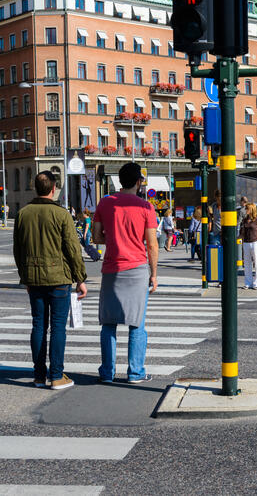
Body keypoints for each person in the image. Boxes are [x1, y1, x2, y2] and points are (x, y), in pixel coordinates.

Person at [13, 171, 87, 390]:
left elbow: (18, 250)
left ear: (35, 188)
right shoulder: (61, 214)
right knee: (57, 328)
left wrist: (25, 276)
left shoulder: (23, 213)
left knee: (38, 326)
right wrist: (80, 278)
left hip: (34, 278)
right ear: (53, 188)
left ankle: (38, 376)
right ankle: (56, 375)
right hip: (58, 278)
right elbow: (73, 249)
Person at [92, 162, 159, 384]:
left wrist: (113, 238)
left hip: (112, 269)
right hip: (137, 269)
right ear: (139, 182)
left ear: (120, 181)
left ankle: (107, 373)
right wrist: (154, 273)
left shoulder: (105, 203)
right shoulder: (146, 207)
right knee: (136, 324)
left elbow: (96, 237)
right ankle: (135, 372)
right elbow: (151, 244)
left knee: (108, 324)